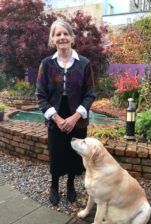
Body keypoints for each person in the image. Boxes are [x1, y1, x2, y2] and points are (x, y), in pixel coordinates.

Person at [36, 19, 95, 205]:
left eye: (65, 34)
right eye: (58, 34)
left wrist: (75, 117)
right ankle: (54, 186)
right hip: (55, 115)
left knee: (74, 154)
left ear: (72, 37)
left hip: (77, 116)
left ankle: (70, 185)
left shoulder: (84, 64)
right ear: (52, 39)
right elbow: (40, 95)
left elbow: (90, 94)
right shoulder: (46, 64)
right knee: (56, 153)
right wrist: (57, 118)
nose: (62, 37)